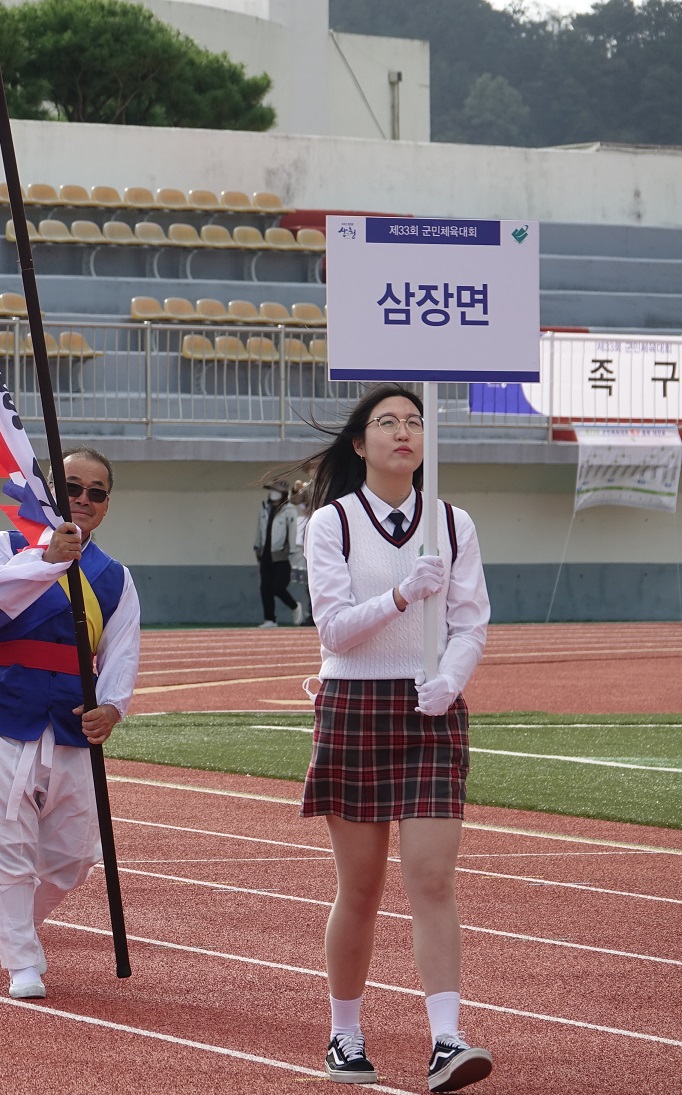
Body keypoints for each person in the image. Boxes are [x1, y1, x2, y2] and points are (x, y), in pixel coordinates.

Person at [296, 385, 492, 1092]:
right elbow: (334, 629)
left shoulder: (452, 521)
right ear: (360, 442)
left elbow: (472, 620)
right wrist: (405, 593)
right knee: (362, 886)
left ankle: (447, 1039)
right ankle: (345, 1033)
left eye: (415, 421)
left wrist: (451, 676)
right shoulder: (332, 524)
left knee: (433, 878)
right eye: (387, 422)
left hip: (430, 708)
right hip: (354, 702)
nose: (403, 432)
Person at [0, 448, 140, 1000]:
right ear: (48, 490)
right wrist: (49, 559)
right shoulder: (4, 546)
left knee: (74, 855)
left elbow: (121, 652)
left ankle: (17, 922)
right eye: (72, 486)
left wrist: (113, 706)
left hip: (73, 719)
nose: (83, 498)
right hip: (4, 706)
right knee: (5, 843)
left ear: (106, 503)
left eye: (96, 492)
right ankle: (22, 959)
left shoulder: (115, 577)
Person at [254, 478, 301, 628]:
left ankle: (294, 606)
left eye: (276, 491)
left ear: (283, 494)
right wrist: (257, 546)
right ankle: (270, 619)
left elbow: (293, 532)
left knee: (277, 587)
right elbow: (259, 529)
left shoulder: (289, 511)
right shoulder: (264, 508)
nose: (273, 494)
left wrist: (293, 552)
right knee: (265, 588)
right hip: (265, 553)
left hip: (282, 554)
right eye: (271, 490)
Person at [289, 478, 314, 627]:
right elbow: (295, 500)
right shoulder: (310, 486)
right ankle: (312, 614)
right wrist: (296, 489)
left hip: (331, 537)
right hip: (311, 541)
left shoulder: (330, 484)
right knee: (311, 582)